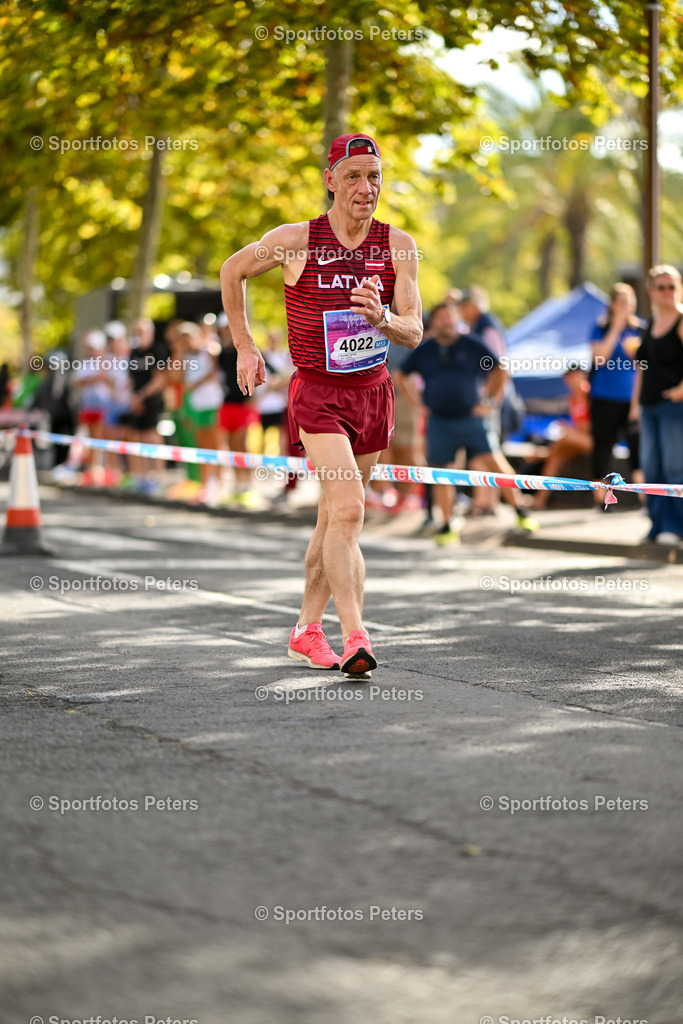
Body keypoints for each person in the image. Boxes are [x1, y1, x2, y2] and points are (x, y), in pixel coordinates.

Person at [220, 132, 422, 675]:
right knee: (351, 508)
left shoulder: (398, 245)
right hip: (318, 395)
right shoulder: (296, 240)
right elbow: (232, 271)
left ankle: (306, 629)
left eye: (374, 175)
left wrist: (382, 319)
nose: (365, 186)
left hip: (373, 393)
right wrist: (245, 346)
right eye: (353, 175)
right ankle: (356, 636)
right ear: (330, 180)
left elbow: (414, 331)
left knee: (333, 517)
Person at [395, 302, 538, 544]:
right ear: (434, 322)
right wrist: (417, 404)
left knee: (495, 462)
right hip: (439, 420)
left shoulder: (472, 344)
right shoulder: (426, 349)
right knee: (442, 473)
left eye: (449, 316)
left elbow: (499, 369)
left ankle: (521, 512)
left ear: (457, 318)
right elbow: (401, 375)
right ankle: (448, 525)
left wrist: (490, 401)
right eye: (440, 317)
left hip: (471, 418)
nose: (445, 321)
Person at [632, 264, 683, 544]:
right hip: (649, 406)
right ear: (651, 291)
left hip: (674, 407)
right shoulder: (650, 323)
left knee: (676, 467)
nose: (666, 292)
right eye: (661, 287)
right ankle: (657, 525)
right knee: (652, 468)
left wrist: (680, 390)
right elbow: (642, 367)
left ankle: (676, 528)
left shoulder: (681, 320)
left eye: (672, 286)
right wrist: (634, 406)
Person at [588, 283, 643, 506]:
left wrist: (636, 404)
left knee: (638, 449)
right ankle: (602, 501)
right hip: (604, 398)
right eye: (621, 302)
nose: (625, 306)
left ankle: (644, 501)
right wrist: (616, 329)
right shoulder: (600, 328)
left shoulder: (640, 330)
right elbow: (599, 357)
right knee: (602, 449)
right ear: (612, 304)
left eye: (629, 302)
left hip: (631, 400)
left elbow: (644, 367)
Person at [532, 364, 593, 511]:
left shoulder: (590, 394)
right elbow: (580, 426)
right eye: (568, 378)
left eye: (574, 376)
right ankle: (540, 500)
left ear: (582, 375)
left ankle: (543, 455)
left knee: (564, 437)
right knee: (556, 458)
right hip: (580, 439)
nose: (571, 381)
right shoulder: (573, 398)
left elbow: (591, 427)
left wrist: (569, 430)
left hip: (593, 440)